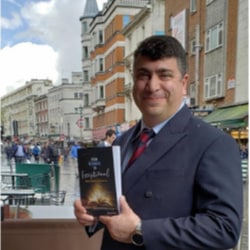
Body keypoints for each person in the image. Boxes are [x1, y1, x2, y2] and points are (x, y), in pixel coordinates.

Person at [74, 35, 243, 249]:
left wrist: (140, 229)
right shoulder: (121, 142)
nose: (152, 86)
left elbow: (224, 228)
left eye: (164, 75)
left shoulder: (214, 143)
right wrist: (91, 215)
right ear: (134, 81)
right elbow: (112, 208)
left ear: (183, 84)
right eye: (143, 75)